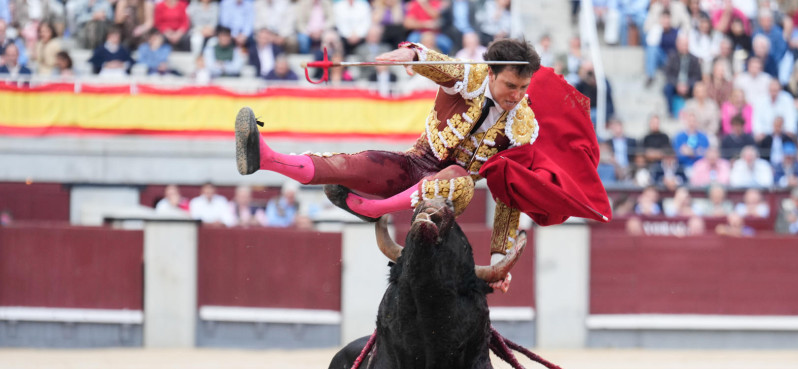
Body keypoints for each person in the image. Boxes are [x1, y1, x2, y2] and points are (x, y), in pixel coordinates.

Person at [233, 37, 611, 285]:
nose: (517, 96)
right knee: (357, 164)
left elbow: (509, 191)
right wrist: (411, 55)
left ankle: (370, 208)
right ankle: (267, 157)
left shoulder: (524, 126)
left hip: (448, 197)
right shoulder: (470, 76)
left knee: (459, 177)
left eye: (523, 88)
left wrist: (499, 257)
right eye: (510, 86)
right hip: (415, 163)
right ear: (491, 72)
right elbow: (436, 63)